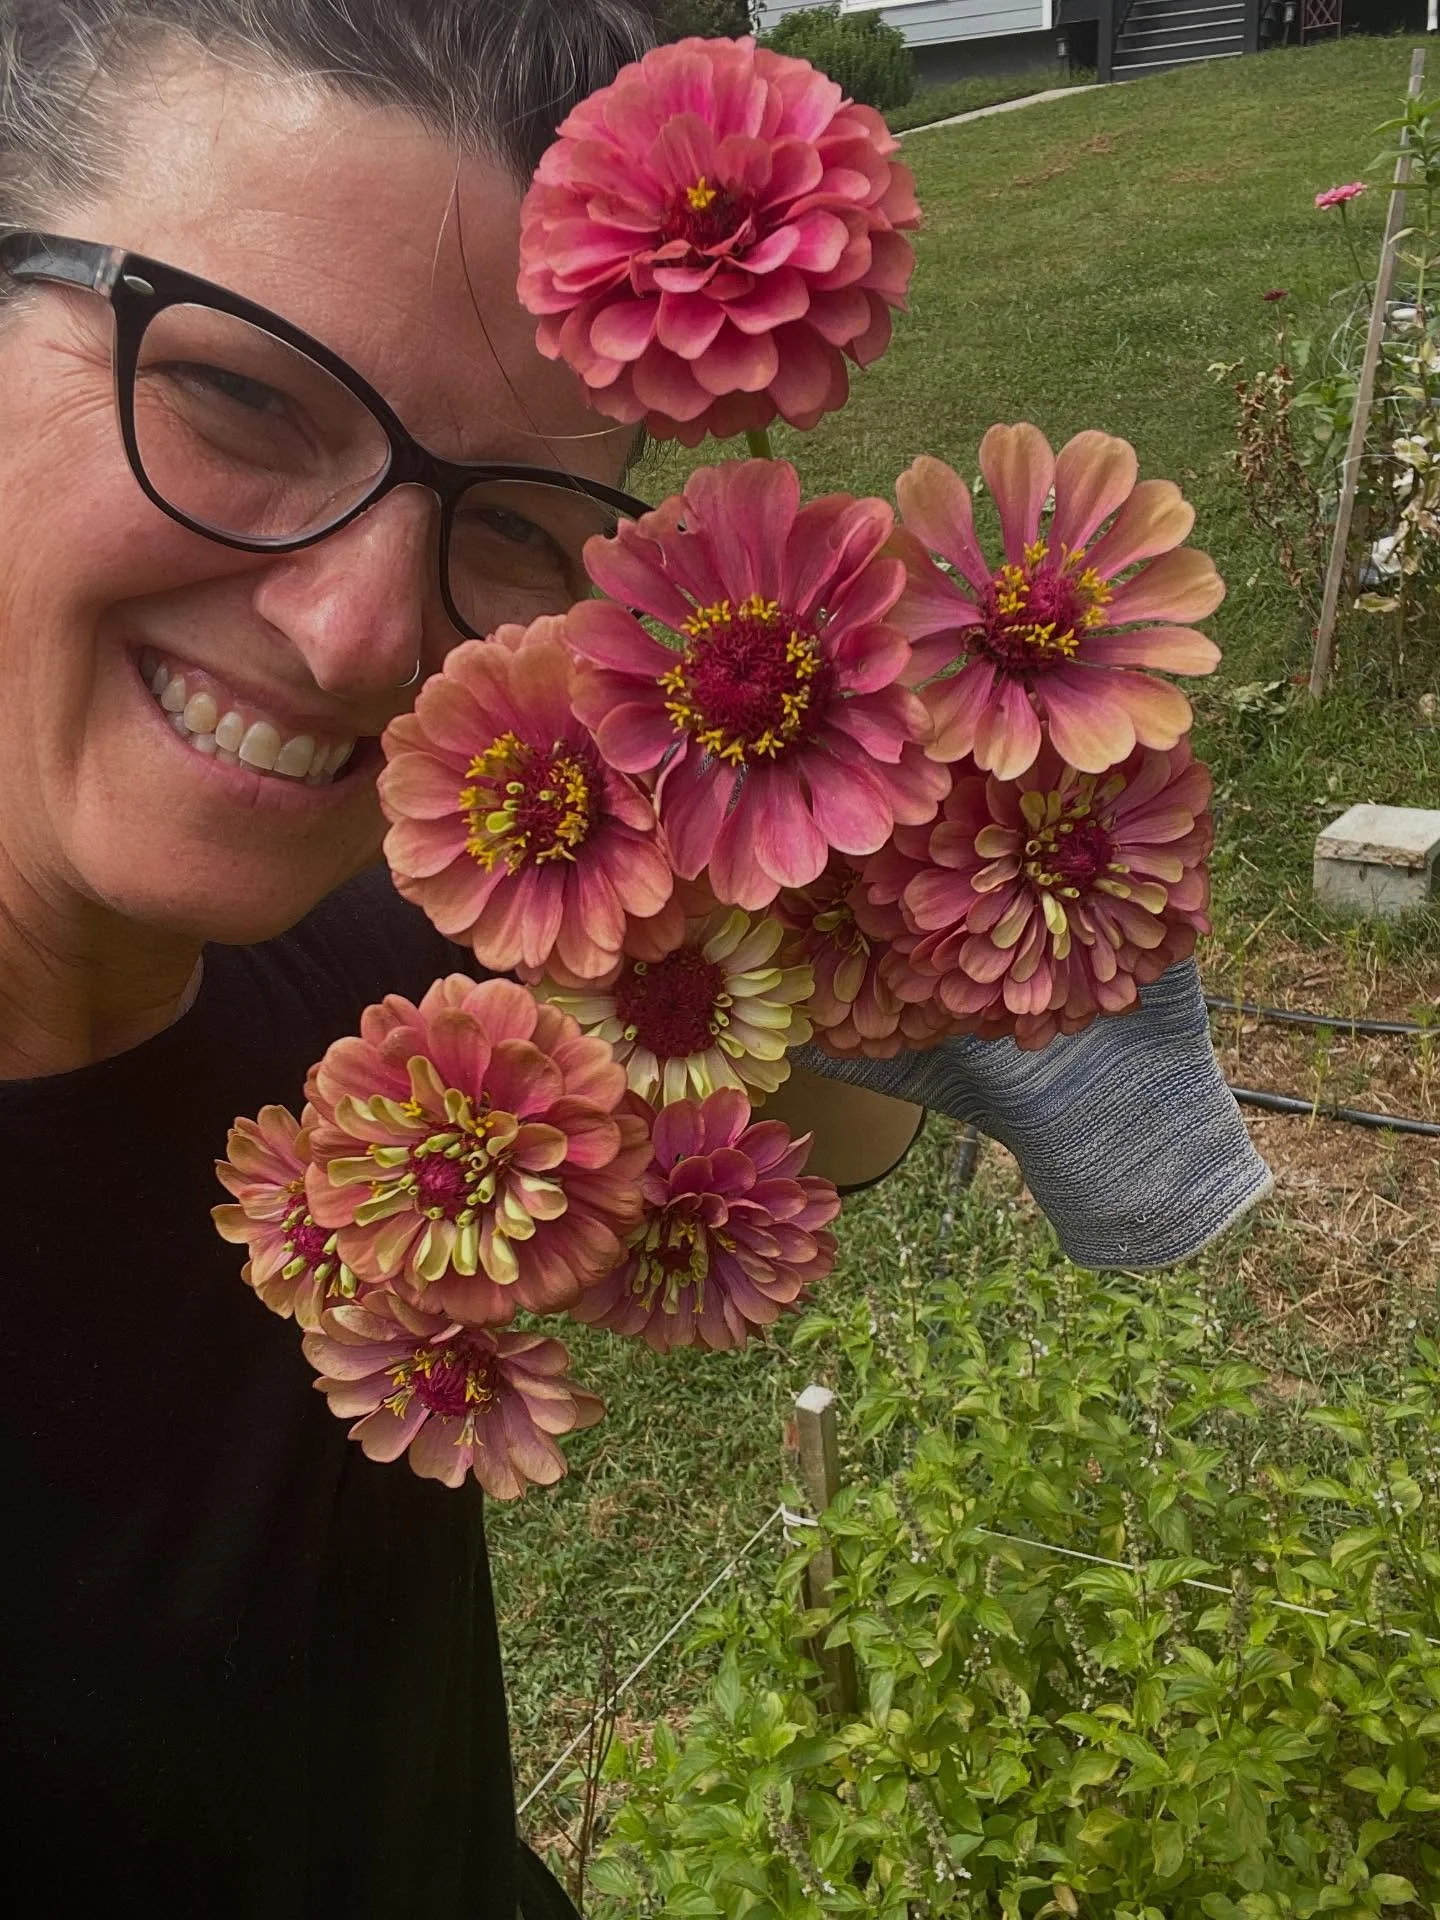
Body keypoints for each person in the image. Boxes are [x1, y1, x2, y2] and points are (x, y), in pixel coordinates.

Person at [0, 2, 1268, 1913]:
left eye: (510, 518)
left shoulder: (413, 989)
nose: (355, 635)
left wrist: (928, 858)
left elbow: (806, 1131)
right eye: (238, 396)